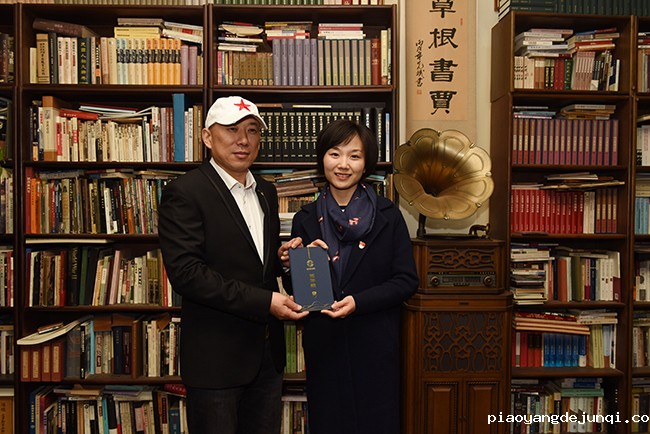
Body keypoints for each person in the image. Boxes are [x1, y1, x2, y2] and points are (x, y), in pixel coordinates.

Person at [158, 96, 308, 434]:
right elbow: (188, 275)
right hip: (217, 360)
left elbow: (255, 262)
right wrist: (266, 301)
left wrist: (282, 259)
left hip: (266, 358)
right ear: (207, 137)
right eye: (231, 129)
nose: (243, 140)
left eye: (252, 131)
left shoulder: (266, 192)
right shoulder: (185, 192)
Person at [278, 118, 419, 434]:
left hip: (374, 342)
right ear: (322, 159)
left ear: (366, 163)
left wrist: (358, 302)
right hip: (325, 345)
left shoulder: (388, 215)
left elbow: (406, 281)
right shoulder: (305, 217)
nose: (343, 164)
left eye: (354, 156)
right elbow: (298, 289)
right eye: (335, 154)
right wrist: (290, 264)